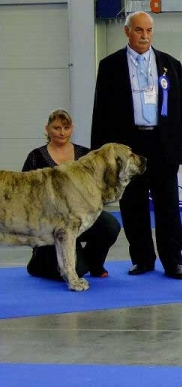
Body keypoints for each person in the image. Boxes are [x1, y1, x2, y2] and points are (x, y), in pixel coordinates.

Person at [91, 11, 182, 279]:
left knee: (168, 207)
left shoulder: (170, 64)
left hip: (163, 143)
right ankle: (142, 259)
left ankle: (173, 261)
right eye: (139, 30)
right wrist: (100, 152)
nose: (145, 36)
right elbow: (100, 111)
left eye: (149, 31)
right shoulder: (109, 65)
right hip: (128, 147)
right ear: (127, 32)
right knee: (133, 206)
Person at [23, 109, 121, 281]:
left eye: (66, 128)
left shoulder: (86, 154)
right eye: (57, 128)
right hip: (50, 223)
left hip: (82, 216)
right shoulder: (35, 156)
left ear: (72, 128)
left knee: (110, 225)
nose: (62, 132)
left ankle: (93, 263)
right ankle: (38, 263)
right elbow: (26, 192)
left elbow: (99, 184)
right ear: (47, 129)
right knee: (75, 271)